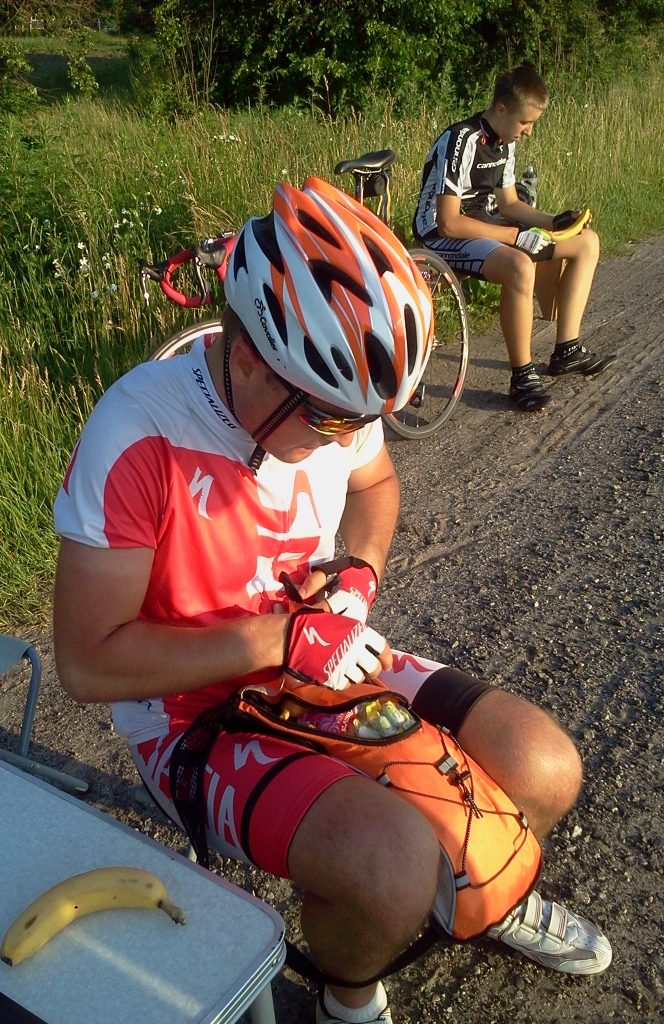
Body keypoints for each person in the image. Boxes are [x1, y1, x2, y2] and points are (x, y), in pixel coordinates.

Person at [53, 177, 611, 1024]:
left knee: (546, 768)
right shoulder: (136, 433)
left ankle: (483, 883)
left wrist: (360, 573)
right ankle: (350, 996)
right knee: (389, 868)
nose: (347, 439)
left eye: (363, 418)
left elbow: (375, 485)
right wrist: (279, 640)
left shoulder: (326, 394)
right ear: (248, 361)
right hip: (193, 711)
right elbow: (87, 664)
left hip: (320, 647)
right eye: (331, 423)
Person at [413, 64, 616, 411]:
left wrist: (556, 220)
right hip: (439, 235)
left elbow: (508, 204)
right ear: (501, 109)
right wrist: (513, 237)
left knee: (587, 242)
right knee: (519, 265)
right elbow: (448, 223)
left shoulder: (504, 140)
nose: (529, 131)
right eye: (525, 122)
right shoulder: (461, 139)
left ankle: (566, 350)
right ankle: (522, 376)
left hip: (483, 226)